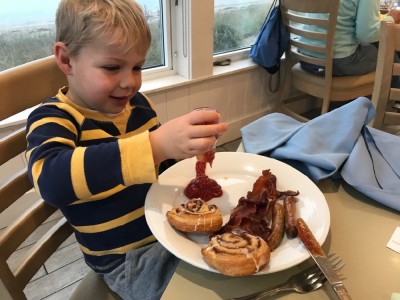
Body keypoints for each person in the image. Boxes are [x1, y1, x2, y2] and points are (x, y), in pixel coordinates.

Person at [25, 0, 227, 299]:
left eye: (137, 66)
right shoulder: (53, 119)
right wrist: (156, 145)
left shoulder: (139, 106)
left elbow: (159, 170)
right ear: (67, 60)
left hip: (171, 232)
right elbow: (51, 181)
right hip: (128, 261)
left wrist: (183, 153)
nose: (129, 82)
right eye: (112, 67)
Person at [299, 0, 381, 77]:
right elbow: (367, 35)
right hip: (335, 63)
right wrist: (390, 19)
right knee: (390, 54)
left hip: (305, 59)